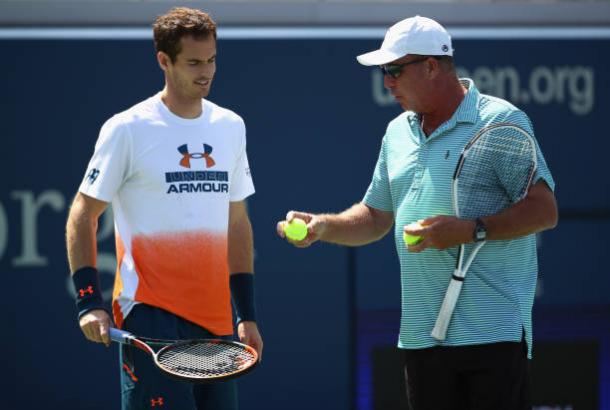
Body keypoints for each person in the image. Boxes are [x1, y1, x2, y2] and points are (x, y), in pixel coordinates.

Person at [277, 15, 557, 410]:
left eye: (394, 70)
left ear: (430, 67)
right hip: (422, 338)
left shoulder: (501, 121)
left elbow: (544, 211)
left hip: (493, 336)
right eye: (383, 72)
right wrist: (323, 227)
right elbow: (374, 217)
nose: (387, 81)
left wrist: (468, 230)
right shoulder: (396, 133)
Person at [66, 7, 263, 410]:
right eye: (193, 62)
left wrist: (246, 314)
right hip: (150, 318)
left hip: (217, 323)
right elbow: (82, 215)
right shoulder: (127, 129)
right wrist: (89, 303)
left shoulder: (231, 126)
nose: (205, 71)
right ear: (164, 61)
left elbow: (237, 223)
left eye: (211, 60)